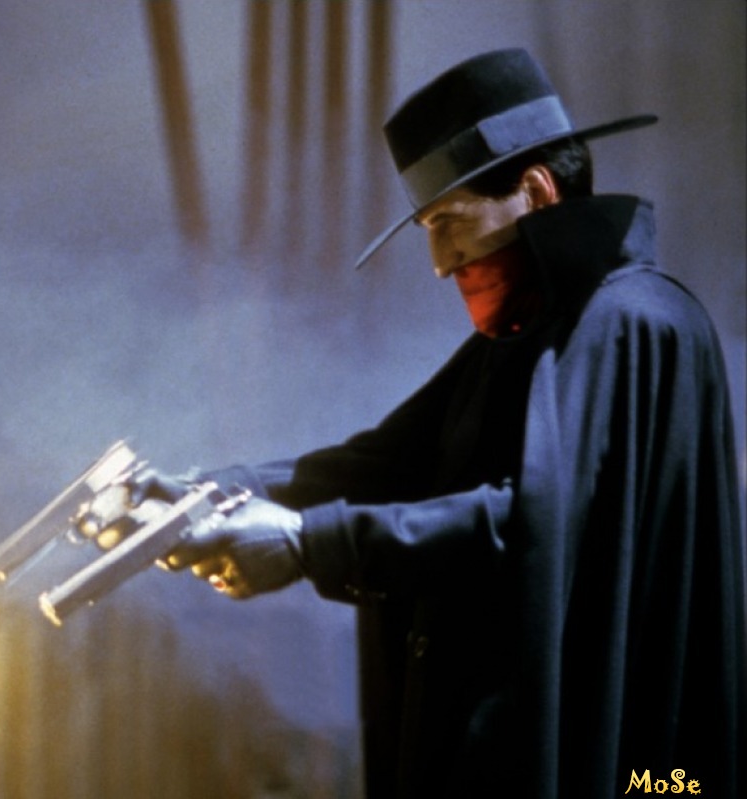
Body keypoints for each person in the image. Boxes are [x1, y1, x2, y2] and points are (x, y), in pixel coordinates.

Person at [132, 49, 745, 799]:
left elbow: (537, 524)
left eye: (449, 222)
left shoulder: (633, 321)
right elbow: (386, 464)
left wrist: (305, 542)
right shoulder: (533, 333)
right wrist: (212, 494)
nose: (439, 261)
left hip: (641, 776)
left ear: (536, 192)